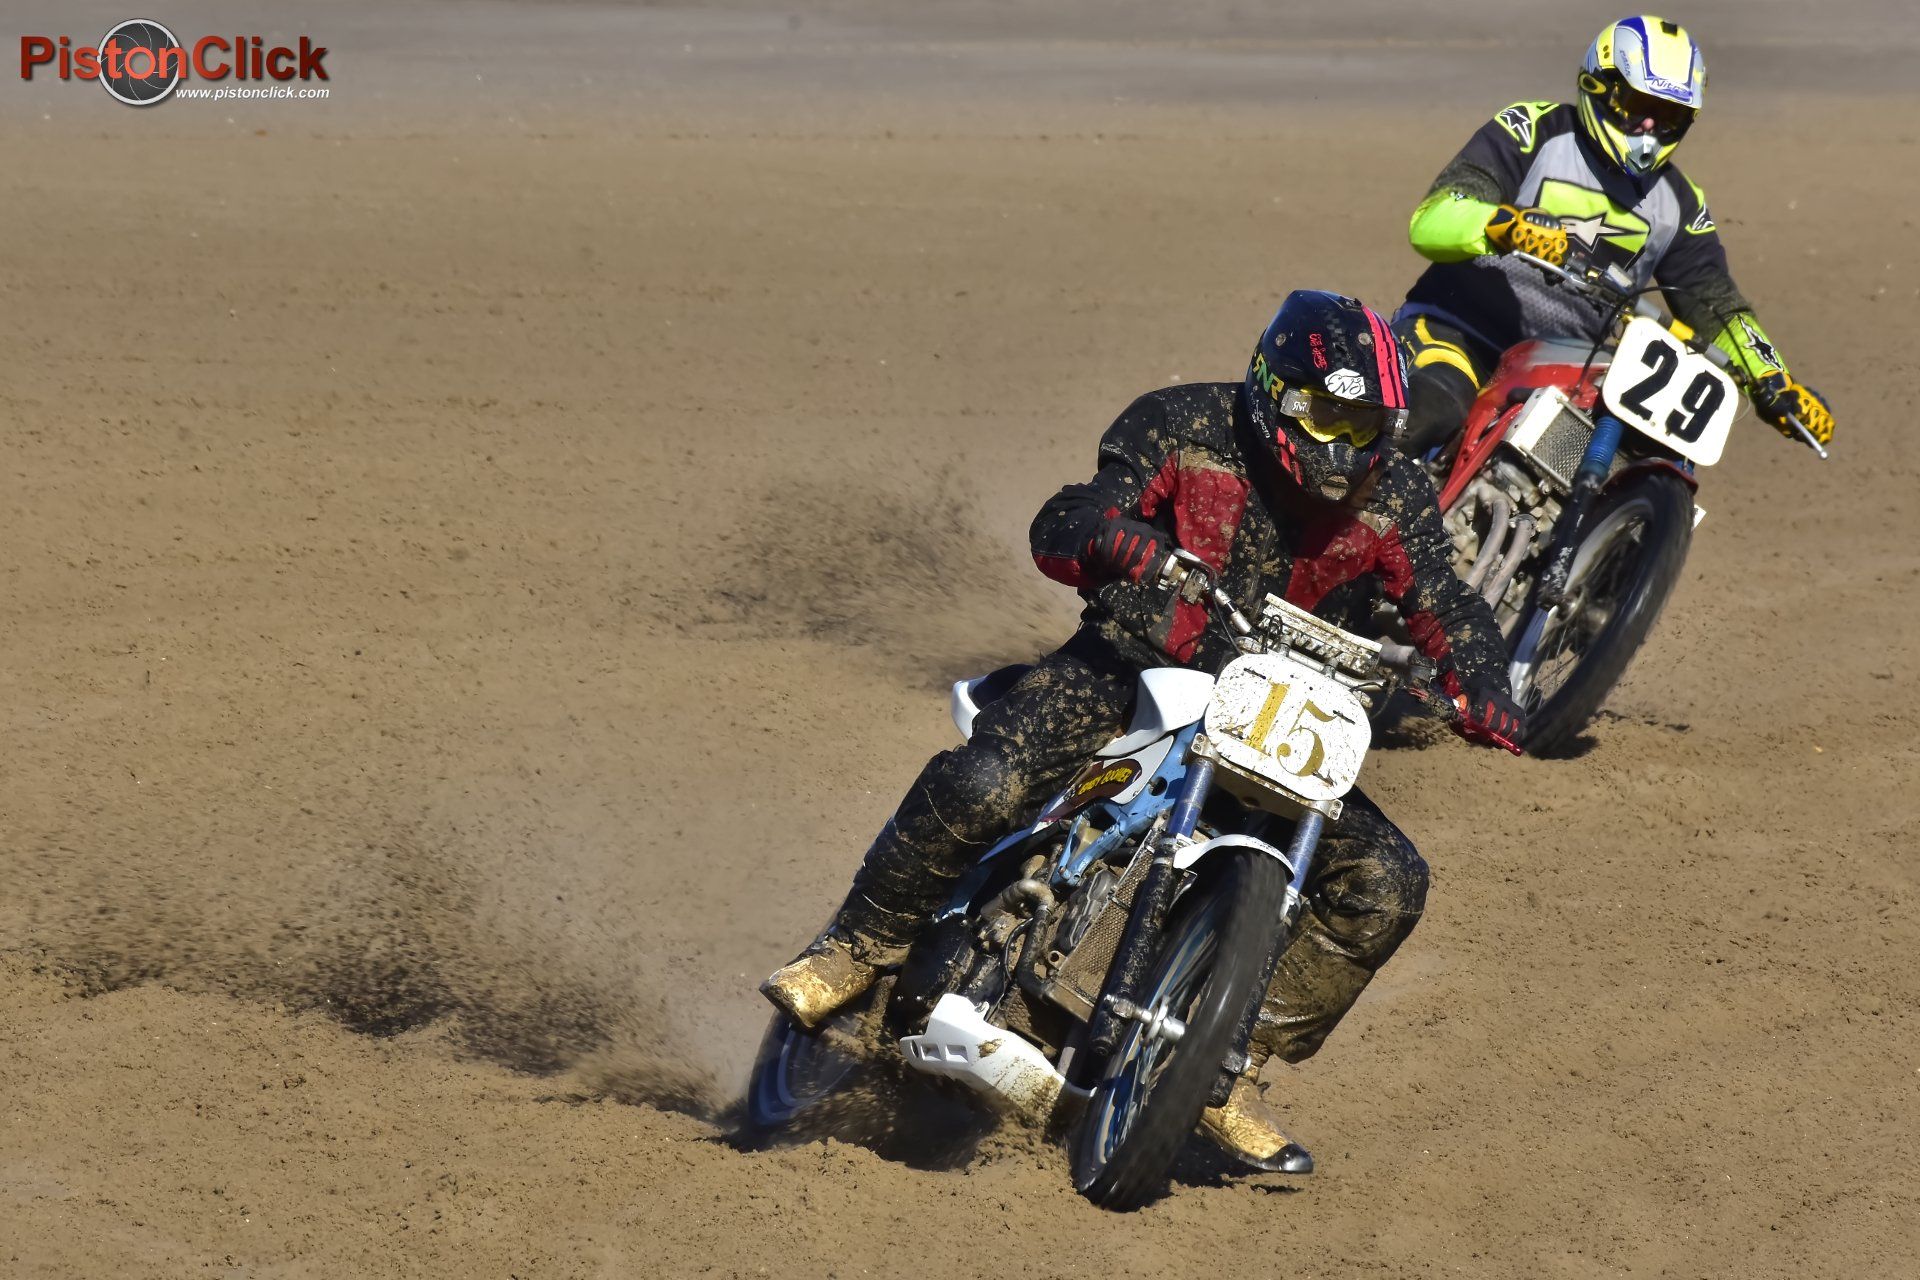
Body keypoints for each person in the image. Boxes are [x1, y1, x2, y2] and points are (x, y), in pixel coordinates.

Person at [760, 291, 1524, 1173]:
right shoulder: (1182, 424)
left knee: (1386, 883)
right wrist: (1120, 543)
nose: (1343, 448)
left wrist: (1488, 685)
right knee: (986, 784)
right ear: (1275, 392)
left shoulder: (1394, 495)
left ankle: (1223, 1066)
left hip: (1274, 715)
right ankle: (854, 947)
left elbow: (1449, 604)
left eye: (1365, 427)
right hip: (1126, 670)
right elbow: (1066, 519)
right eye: (1325, 416)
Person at [1393, 15, 1835, 457]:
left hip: (1569, 368)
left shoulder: (1681, 202)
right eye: (1638, 105)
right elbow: (1432, 220)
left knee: (1641, 455)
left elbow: (1717, 306)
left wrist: (1775, 380)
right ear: (1598, 86)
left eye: (1667, 116)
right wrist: (1507, 227)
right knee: (1432, 412)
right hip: (1457, 333)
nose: (1648, 126)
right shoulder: (1531, 128)